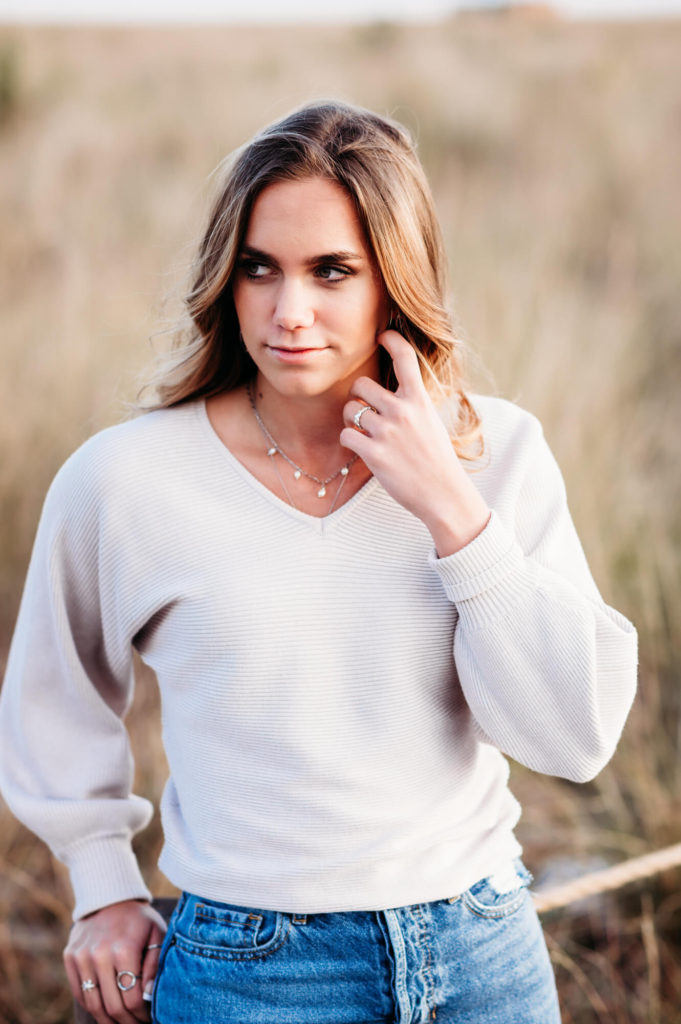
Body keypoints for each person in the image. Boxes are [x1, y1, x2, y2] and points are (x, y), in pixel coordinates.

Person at [0, 100, 637, 1024]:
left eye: (331, 271)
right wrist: (102, 884)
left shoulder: (495, 455)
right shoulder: (126, 479)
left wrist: (451, 512)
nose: (288, 311)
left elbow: (573, 738)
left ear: (394, 279)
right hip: (251, 972)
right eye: (259, 269)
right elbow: (54, 693)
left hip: (482, 951)